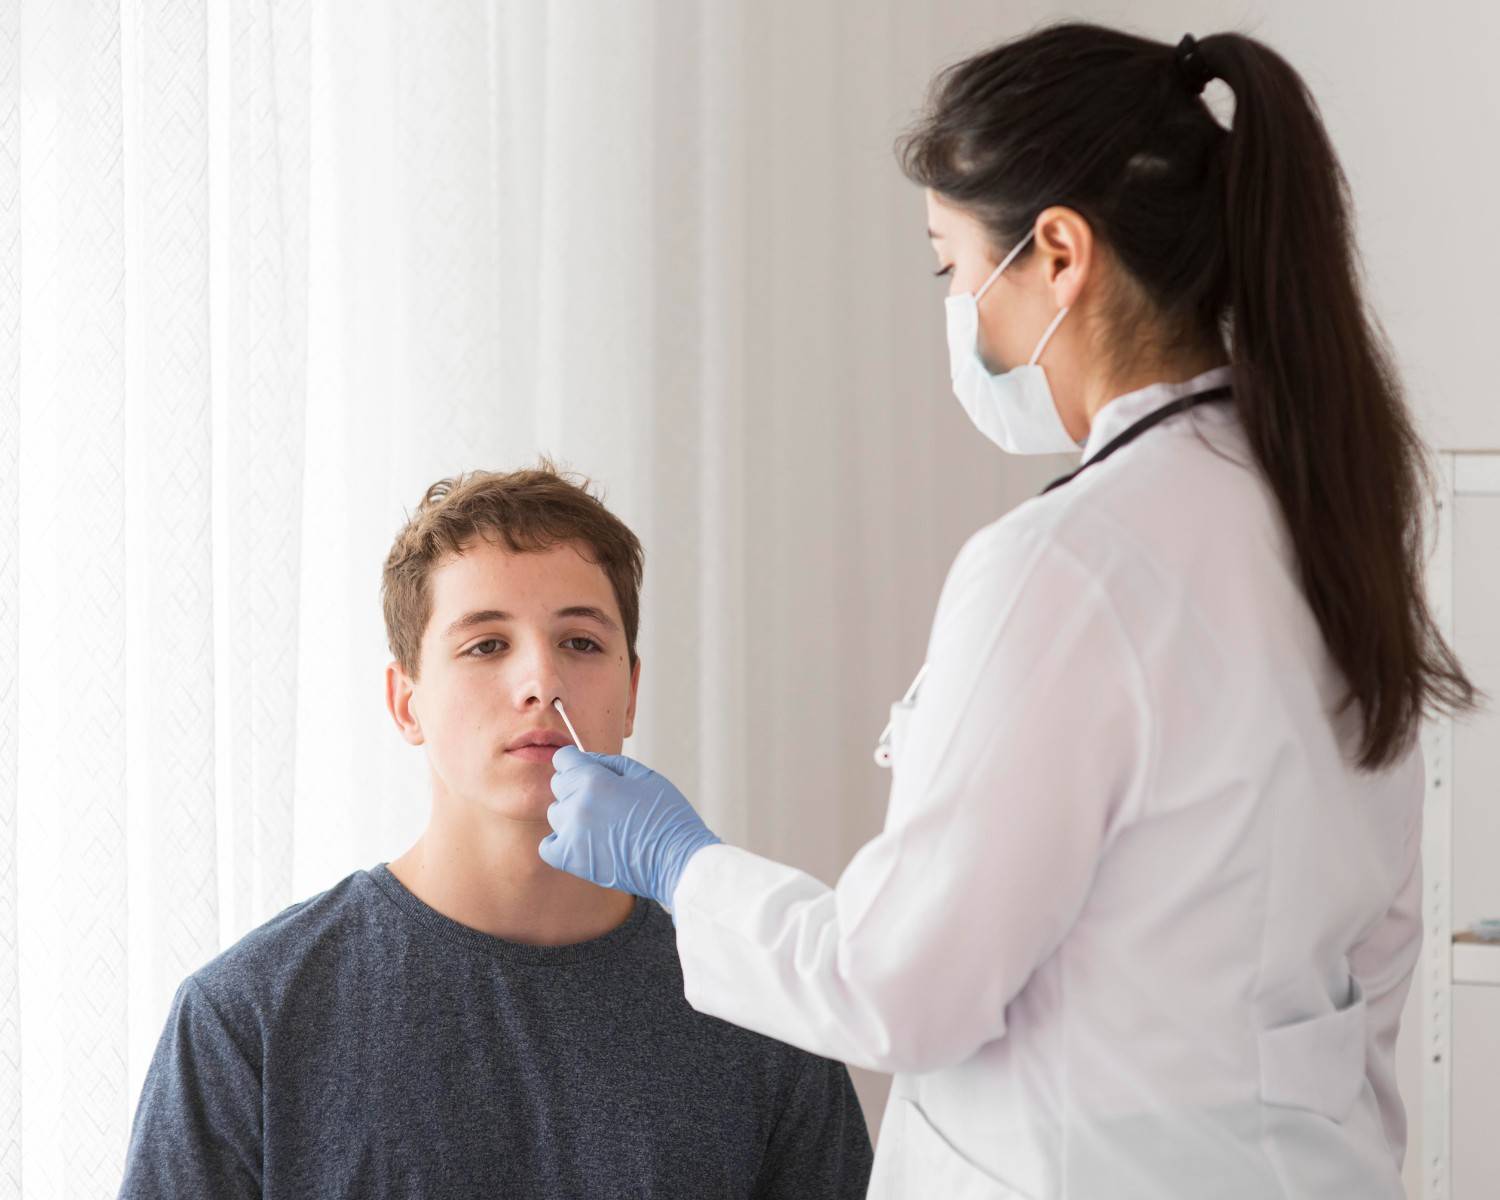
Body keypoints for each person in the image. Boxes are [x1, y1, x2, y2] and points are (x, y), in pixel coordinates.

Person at [540, 23, 1480, 1200]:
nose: (960, 314)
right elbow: (1371, 971)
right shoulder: (1336, 524)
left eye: (952, 268)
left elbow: (896, 987)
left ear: (1059, 253)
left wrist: (682, 866)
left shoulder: (1067, 565)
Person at [116, 464, 873, 1199]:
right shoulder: (247, 1020)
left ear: (632, 691)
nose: (541, 680)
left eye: (580, 642)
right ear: (405, 702)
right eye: (486, 645)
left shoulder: (765, 1011)